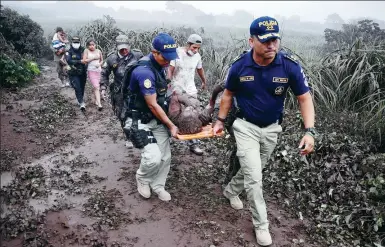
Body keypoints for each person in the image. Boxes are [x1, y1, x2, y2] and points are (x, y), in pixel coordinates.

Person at [212, 16, 316, 246]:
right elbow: (227, 95)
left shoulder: (289, 67)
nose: (272, 45)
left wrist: (310, 131)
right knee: (255, 178)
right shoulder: (239, 66)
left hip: (272, 129)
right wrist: (220, 120)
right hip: (245, 126)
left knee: (255, 169)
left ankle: (230, 190)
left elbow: (304, 98)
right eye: (266, 40)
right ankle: (262, 226)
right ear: (251, 41)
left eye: (275, 40)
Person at [123, 33, 179, 202]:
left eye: (171, 57)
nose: (168, 61)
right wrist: (171, 125)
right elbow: (153, 104)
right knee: (153, 157)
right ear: (154, 52)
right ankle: (142, 178)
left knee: (165, 156)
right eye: (165, 57)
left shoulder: (161, 66)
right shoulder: (144, 72)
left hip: (157, 119)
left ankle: (158, 185)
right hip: (139, 119)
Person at [100, 34, 143, 149]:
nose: (124, 51)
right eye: (121, 49)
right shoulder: (111, 58)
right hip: (119, 91)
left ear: (129, 46)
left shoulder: (137, 55)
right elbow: (104, 73)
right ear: (117, 47)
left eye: (126, 48)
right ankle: (128, 136)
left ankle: (138, 132)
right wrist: (103, 88)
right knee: (122, 115)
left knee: (137, 112)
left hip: (136, 89)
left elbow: (146, 67)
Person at [167, 34, 207, 156]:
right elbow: (170, 69)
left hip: (190, 89)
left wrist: (204, 81)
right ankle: (167, 141)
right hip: (176, 88)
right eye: (194, 47)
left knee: (192, 116)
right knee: (173, 114)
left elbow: (199, 69)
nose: (196, 50)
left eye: (198, 48)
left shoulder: (197, 56)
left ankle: (193, 143)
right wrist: (168, 84)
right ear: (188, 44)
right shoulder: (176, 53)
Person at [65, 36, 87, 110]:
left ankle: (80, 99)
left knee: (82, 87)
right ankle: (81, 102)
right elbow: (69, 60)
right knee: (77, 87)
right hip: (73, 72)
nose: (76, 44)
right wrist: (80, 61)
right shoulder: (69, 51)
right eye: (74, 42)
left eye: (77, 42)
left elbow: (87, 57)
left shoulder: (83, 50)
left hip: (83, 72)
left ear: (80, 43)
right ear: (72, 43)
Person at [82, 38, 103, 111]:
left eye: (93, 45)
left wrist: (99, 64)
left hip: (98, 71)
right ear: (87, 46)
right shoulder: (86, 51)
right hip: (91, 71)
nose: (91, 46)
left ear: (95, 45)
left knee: (97, 86)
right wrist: (93, 58)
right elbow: (84, 61)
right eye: (90, 45)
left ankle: (96, 100)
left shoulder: (98, 51)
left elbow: (102, 60)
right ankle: (99, 104)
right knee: (96, 86)